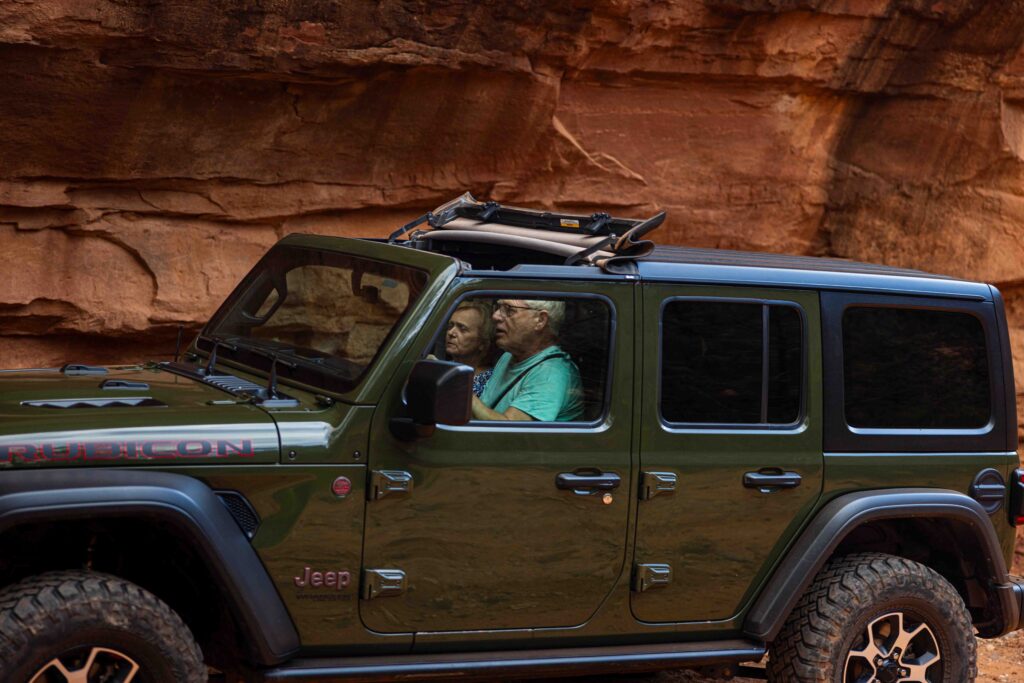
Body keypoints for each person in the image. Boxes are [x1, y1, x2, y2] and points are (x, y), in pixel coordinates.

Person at [473, 298, 582, 422]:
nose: (495, 316)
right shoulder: (509, 355)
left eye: (509, 310)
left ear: (540, 320)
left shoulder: (550, 374)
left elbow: (510, 433)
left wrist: (463, 392)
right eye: (498, 308)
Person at [445, 300, 495, 396]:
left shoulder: (491, 381)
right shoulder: (444, 367)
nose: (451, 333)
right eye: (450, 326)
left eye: (462, 329)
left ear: (482, 342)